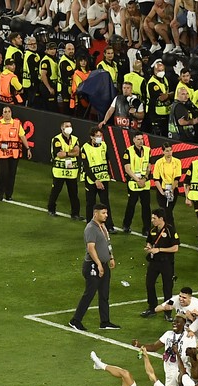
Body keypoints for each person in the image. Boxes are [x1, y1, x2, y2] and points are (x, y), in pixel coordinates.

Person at [69, 204, 120, 332]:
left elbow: (107, 243)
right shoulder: (91, 228)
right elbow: (91, 248)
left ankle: (105, 321)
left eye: (106, 213)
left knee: (104, 294)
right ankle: (75, 320)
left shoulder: (102, 227)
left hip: (103, 264)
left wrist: (111, 257)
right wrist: (98, 264)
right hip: (92, 265)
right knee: (89, 293)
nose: (106, 215)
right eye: (103, 213)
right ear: (95, 214)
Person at [0, 105, 32, 201]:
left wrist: (28, 148)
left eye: (9, 111)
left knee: (12, 174)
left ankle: (9, 194)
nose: (7, 113)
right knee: (3, 173)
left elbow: (22, 136)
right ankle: (0, 192)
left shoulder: (16, 123)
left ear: (11, 113)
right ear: (2, 114)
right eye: (5, 112)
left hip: (14, 153)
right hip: (0, 153)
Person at [142, 208, 180, 319]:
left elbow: (175, 248)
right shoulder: (153, 229)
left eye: (154, 218)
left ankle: (167, 313)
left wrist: (159, 250)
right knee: (149, 284)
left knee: (167, 287)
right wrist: (149, 246)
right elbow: (149, 240)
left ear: (161, 219)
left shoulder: (170, 230)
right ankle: (152, 307)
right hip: (154, 262)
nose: (152, 220)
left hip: (166, 263)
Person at [81, 127, 116, 232]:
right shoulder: (85, 148)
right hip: (91, 180)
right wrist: (96, 180)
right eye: (97, 136)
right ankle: (90, 226)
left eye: (100, 136)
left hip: (103, 178)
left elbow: (107, 161)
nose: (99, 138)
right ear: (92, 137)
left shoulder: (104, 145)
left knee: (105, 203)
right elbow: (86, 167)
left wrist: (109, 175)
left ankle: (109, 226)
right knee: (90, 203)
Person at [47, 120, 82, 220]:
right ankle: (51, 209)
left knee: (74, 193)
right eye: (66, 126)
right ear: (62, 128)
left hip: (72, 172)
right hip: (59, 170)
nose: (69, 128)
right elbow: (59, 154)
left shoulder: (75, 139)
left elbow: (77, 152)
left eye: (70, 126)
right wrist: (71, 152)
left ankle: (75, 214)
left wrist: (66, 153)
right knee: (55, 191)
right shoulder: (57, 139)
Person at [122, 132, 152, 234]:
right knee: (131, 205)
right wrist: (138, 180)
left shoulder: (147, 150)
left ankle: (147, 228)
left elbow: (149, 166)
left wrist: (145, 178)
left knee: (146, 206)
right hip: (134, 182)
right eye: (138, 139)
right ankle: (126, 225)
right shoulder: (128, 151)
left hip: (144, 182)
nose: (140, 141)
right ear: (134, 140)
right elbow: (127, 169)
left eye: (142, 139)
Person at [152, 142, 183, 226]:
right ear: (163, 152)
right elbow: (156, 179)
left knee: (168, 210)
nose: (169, 153)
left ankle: (167, 228)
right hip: (162, 189)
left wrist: (171, 190)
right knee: (165, 211)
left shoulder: (177, 162)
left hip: (173, 190)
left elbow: (177, 178)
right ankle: (168, 228)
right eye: (166, 151)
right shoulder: (159, 162)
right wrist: (162, 192)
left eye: (170, 150)